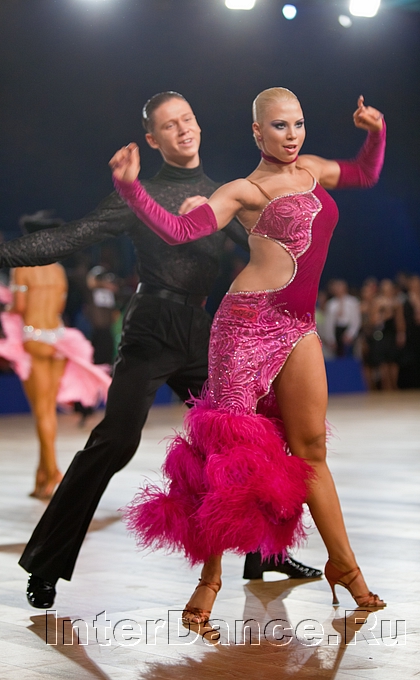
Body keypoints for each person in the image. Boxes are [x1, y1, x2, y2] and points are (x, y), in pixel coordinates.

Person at [0, 92, 319, 610]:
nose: (183, 129)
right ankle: (46, 563)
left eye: (187, 119)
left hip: (202, 330)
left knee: (252, 431)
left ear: (199, 125)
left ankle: (267, 553)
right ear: (153, 139)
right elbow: (68, 239)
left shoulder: (225, 195)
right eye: (170, 125)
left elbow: (270, 252)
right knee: (115, 441)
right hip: (150, 329)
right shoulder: (140, 195)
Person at [110, 89, 387, 624]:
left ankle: (345, 567)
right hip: (245, 324)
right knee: (227, 457)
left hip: (299, 327)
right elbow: (181, 230)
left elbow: (364, 172)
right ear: (258, 132)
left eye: (298, 124)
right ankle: (209, 579)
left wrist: (375, 133)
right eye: (279, 126)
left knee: (311, 450)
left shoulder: (311, 169)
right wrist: (132, 190)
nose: (292, 135)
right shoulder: (245, 190)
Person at [0, 214, 111, 499]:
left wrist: (7, 306)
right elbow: (60, 306)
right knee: (47, 410)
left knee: (42, 412)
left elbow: (20, 306)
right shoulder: (58, 270)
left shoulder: (22, 269)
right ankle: (43, 474)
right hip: (57, 340)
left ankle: (53, 473)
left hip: (34, 340)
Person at [323, 279, 361, 358]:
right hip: (337, 331)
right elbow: (329, 323)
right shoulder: (331, 304)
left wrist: (350, 334)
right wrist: (331, 339)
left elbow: (356, 320)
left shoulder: (352, 302)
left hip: (348, 330)